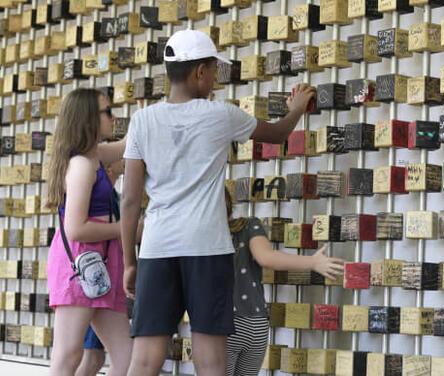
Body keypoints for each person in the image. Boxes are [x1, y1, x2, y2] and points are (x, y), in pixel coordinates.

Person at [120, 29, 316, 376]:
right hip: (207, 248)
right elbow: (278, 133)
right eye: (213, 71)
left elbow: (131, 200)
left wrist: (129, 262)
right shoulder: (221, 115)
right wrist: (297, 109)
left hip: (156, 247)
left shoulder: (141, 121)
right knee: (211, 362)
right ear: (199, 73)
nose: (214, 79)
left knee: (144, 360)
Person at [46, 88, 132, 376]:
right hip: (81, 265)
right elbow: (75, 228)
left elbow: (125, 146)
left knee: (128, 359)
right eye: (107, 112)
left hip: (101, 265)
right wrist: (126, 228)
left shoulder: (93, 155)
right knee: (68, 356)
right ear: (88, 119)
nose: (113, 117)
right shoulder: (83, 164)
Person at [223, 188, 345, 375]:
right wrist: (312, 262)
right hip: (257, 323)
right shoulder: (249, 225)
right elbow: (267, 258)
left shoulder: (202, 236)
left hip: (224, 323)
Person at [75, 159, 125, 376]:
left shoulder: (112, 196)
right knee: (90, 357)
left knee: (98, 356)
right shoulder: (100, 193)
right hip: (94, 277)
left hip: (104, 278)